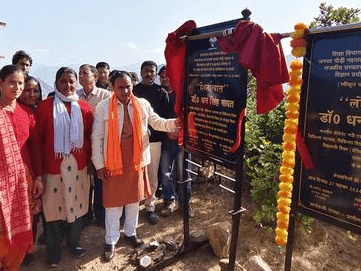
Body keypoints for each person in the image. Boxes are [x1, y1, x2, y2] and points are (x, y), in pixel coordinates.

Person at [91, 71, 177, 261]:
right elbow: (96, 137)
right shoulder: (103, 107)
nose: (126, 90)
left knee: (133, 200)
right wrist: (99, 164)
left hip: (136, 160)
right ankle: (111, 239)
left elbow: (156, 122)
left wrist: (173, 124)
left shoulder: (142, 104)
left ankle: (130, 232)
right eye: (121, 87)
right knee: (113, 203)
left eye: (128, 86)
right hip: (113, 162)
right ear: (112, 87)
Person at [36, 67, 93, 267]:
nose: (67, 85)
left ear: (76, 83)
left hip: (78, 167)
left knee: (75, 207)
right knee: (52, 210)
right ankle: (53, 249)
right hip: (52, 168)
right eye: (63, 81)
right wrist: (39, 171)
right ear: (56, 83)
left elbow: (89, 138)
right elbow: (38, 140)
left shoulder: (85, 108)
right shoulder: (44, 108)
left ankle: (73, 242)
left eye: (71, 81)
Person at [0, 65, 43, 270]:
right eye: (11, 82)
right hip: (1, 183)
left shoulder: (26, 113)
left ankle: (13, 264)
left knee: (23, 223)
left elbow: (35, 150)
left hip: (22, 181)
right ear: (1, 83)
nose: (16, 87)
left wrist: (39, 177)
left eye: (20, 83)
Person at [133, 61, 170, 225]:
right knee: (134, 176)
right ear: (141, 72)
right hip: (134, 141)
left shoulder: (161, 92)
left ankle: (150, 207)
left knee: (152, 176)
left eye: (152, 71)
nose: (149, 74)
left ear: (156, 74)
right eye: (146, 71)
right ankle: (132, 208)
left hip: (155, 141)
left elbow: (162, 118)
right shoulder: (134, 91)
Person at [77, 64, 111, 227]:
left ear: (95, 77)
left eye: (85, 73)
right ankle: (85, 214)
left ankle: (101, 214)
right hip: (81, 146)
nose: (81, 76)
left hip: (101, 145)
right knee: (83, 180)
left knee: (100, 180)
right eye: (79, 74)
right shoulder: (76, 96)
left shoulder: (106, 96)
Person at [158, 66, 193, 217]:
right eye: (162, 76)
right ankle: (169, 201)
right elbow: (155, 117)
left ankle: (185, 204)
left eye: (168, 75)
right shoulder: (159, 94)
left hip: (182, 141)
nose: (165, 78)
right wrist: (166, 130)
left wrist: (180, 131)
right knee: (165, 173)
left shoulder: (182, 93)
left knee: (184, 173)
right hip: (165, 141)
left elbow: (190, 114)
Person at [16, 75, 44, 266]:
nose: (31, 94)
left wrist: (39, 175)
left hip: (33, 172)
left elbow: (37, 149)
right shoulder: (14, 111)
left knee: (31, 214)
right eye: (27, 90)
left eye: (35, 90)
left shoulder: (36, 111)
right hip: (19, 172)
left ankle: (28, 248)